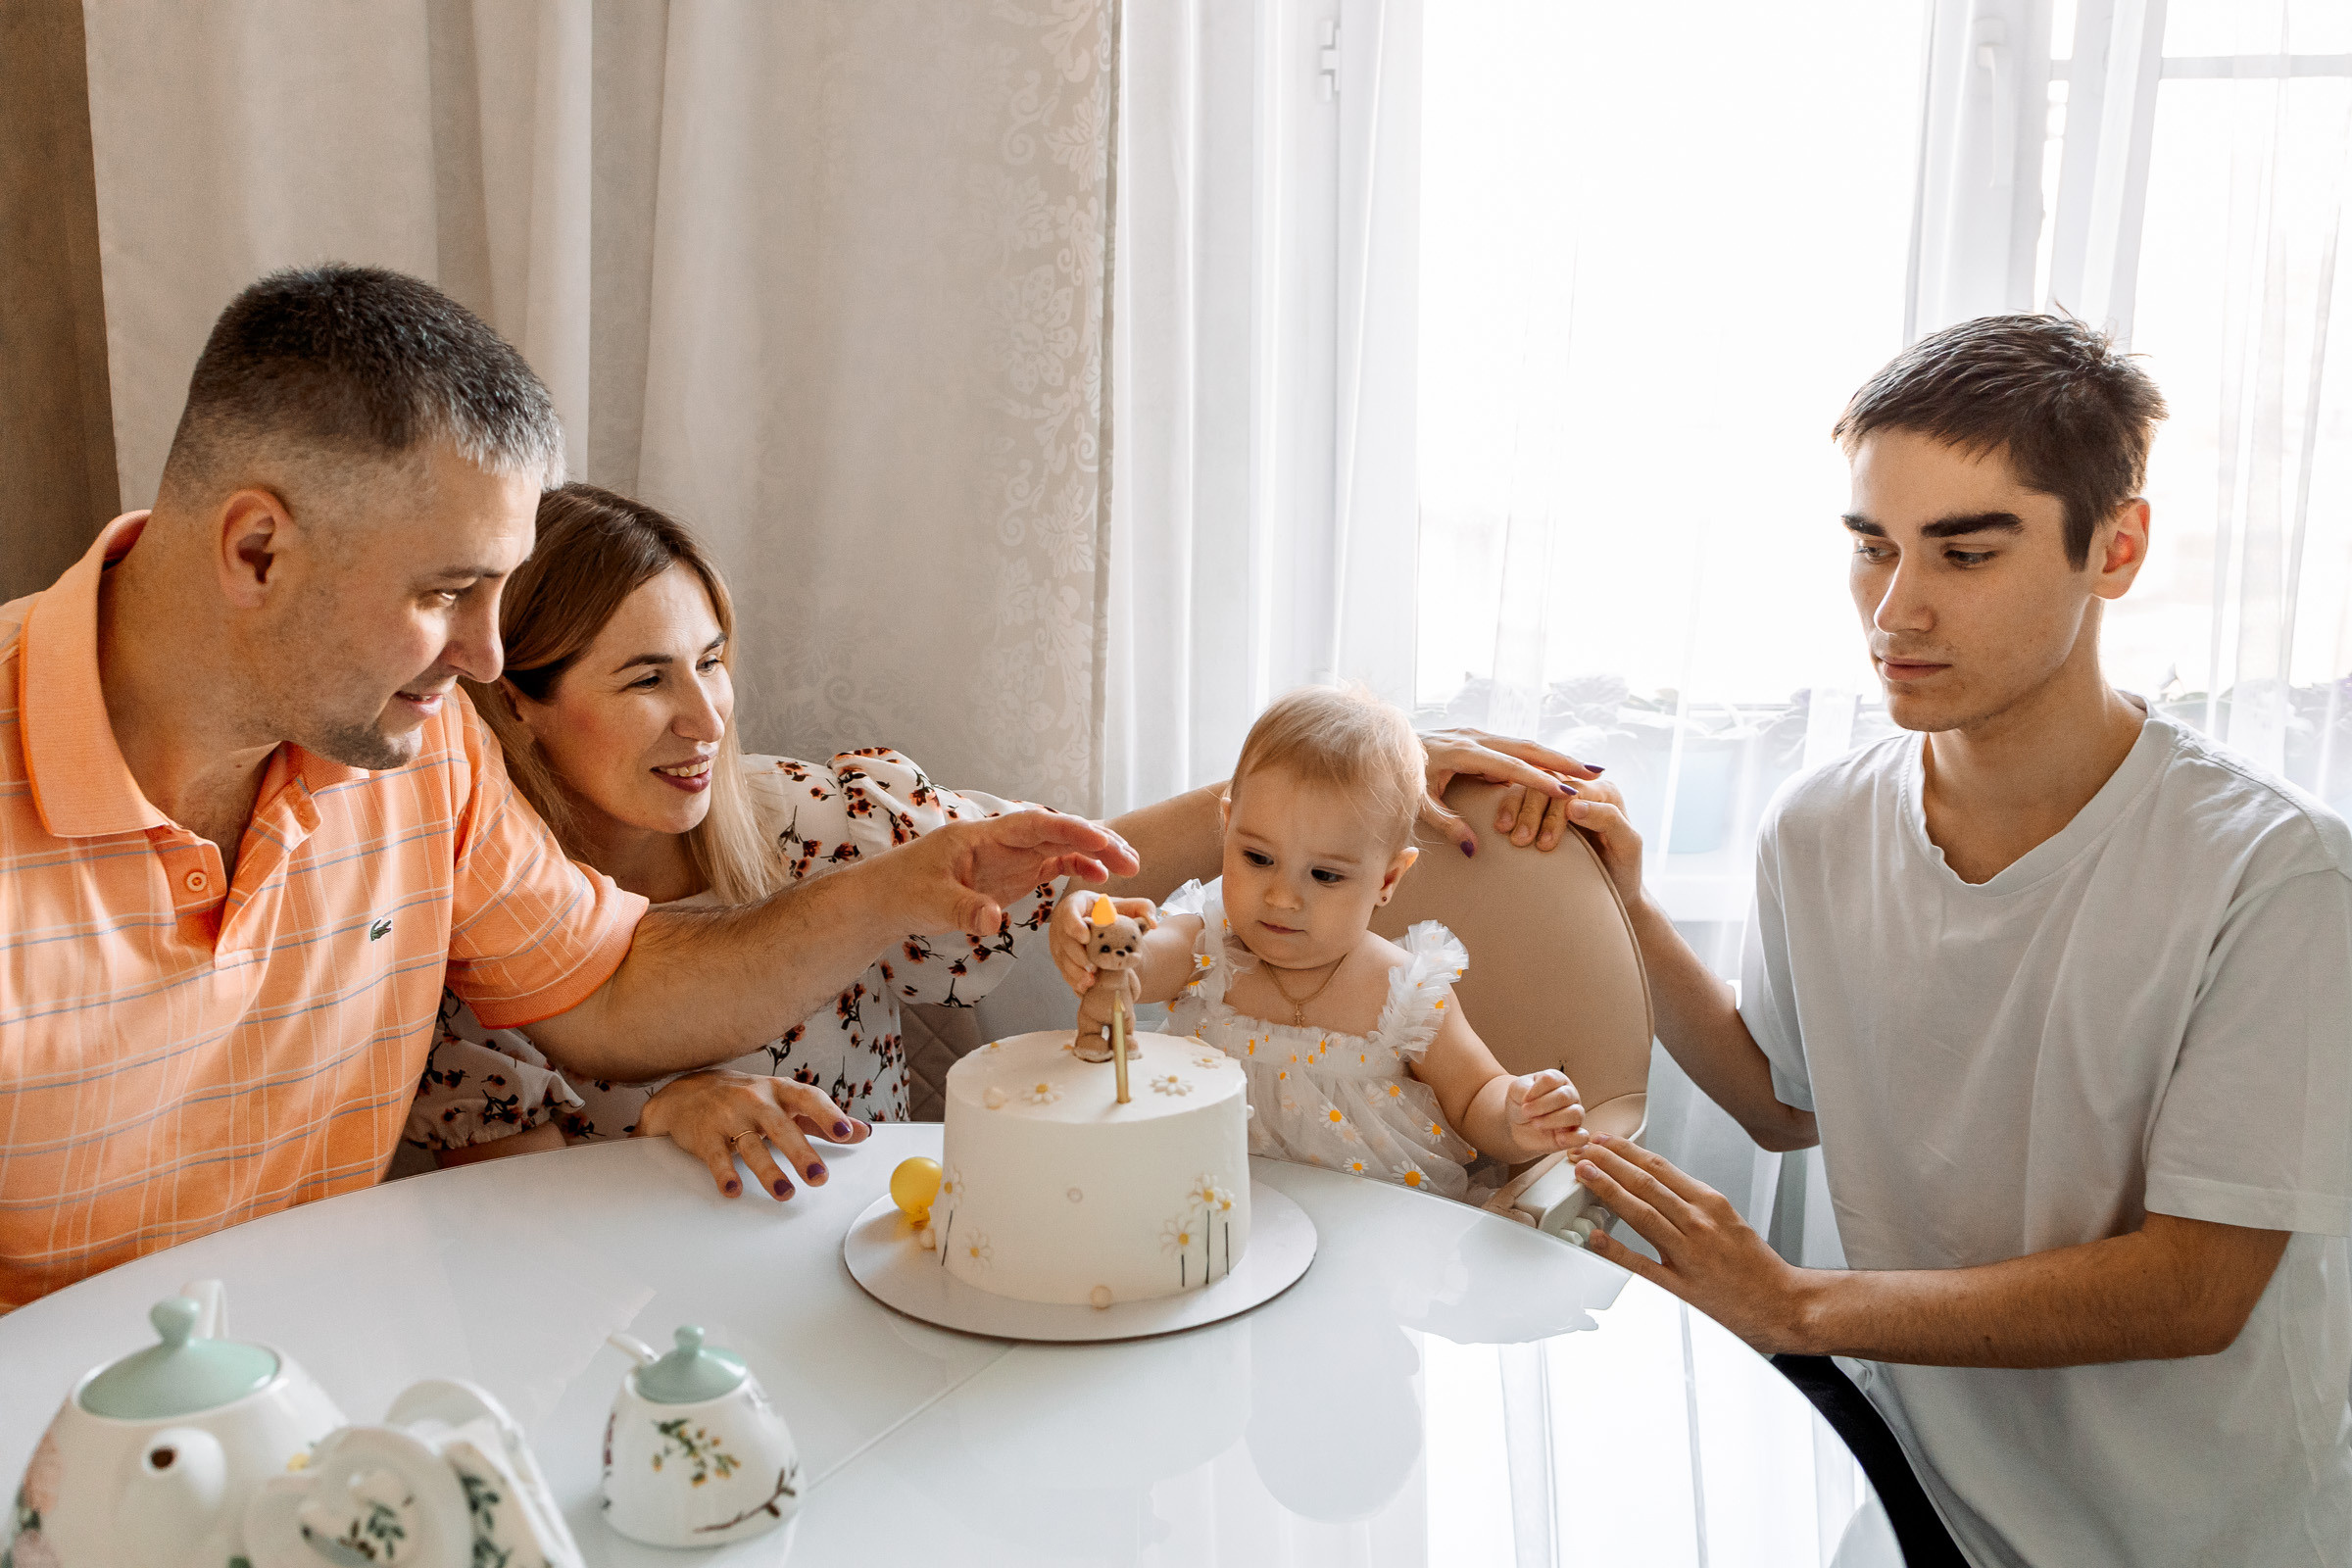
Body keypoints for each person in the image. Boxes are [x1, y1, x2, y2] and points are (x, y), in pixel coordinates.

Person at [0, 266, 1138, 1309]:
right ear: (257, 550)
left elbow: (614, 989)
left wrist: (905, 883)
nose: (489, 658)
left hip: (318, 1402)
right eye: (449, 591)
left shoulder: (423, 745)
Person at [1551, 315, 2350, 1567]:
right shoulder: (1817, 825)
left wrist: (1797, 1305)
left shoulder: (2279, 872)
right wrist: (1624, 911)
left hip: (2203, 1538)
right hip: (1926, 1496)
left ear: (2117, 547)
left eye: (1966, 553)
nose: (1896, 609)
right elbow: (1781, 1102)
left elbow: (2198, 1288)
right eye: (1872, 549)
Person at [403, 484, 1076, 1193]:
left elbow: (1085, 866)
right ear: (513, 702)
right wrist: (654, 1128)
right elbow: (522, 1250)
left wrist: (1213, 810)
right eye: (647, 680)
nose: (706, 718)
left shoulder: (818, 819)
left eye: (710, 663)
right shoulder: (480, 929)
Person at [1053, 686, 1590, 1200]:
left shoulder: (1405, 993)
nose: (1282, 898)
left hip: (1367, 1229)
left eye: (1326, 876)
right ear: (1227, 825)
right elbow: (1140, 964)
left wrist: (1516, 1113)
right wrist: (1102, 939)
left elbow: (1474, 1097)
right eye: (1257, 859)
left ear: (1387, 879)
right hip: (1212, 1209)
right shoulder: (1206, 945)